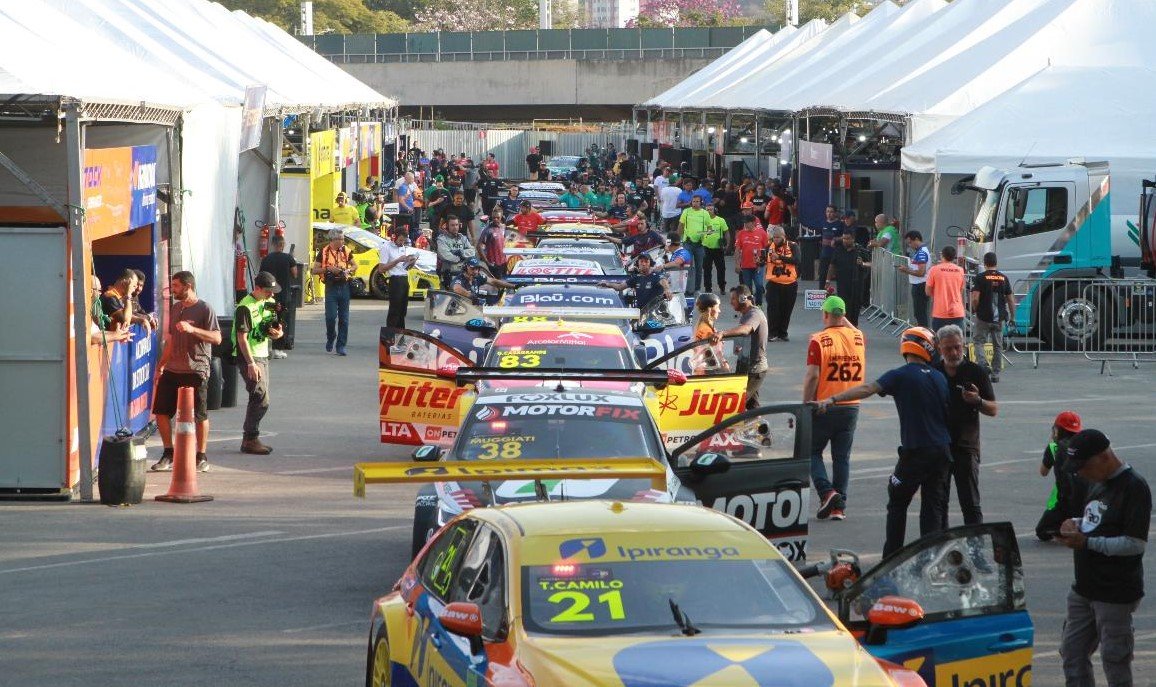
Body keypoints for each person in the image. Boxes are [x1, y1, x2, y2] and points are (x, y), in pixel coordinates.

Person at [813, 327, 950, 557]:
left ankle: (892, 557)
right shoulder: (939, 377)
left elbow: (868, 389)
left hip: (915, 452)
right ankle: (931, 559)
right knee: (932, 508)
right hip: (942, 451)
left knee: (897, 501)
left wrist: (833, 399)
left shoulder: (900, 375)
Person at [1056, 429, 1150, 687]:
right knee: (1072, 652)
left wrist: (1087, 543)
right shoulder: (1095, 481)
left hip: (1114, 591)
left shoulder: (1134, 487)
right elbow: (1095, 520)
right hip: (1084, 587)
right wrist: (1074, 523)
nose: (1080, 473)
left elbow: (1134, 544)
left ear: (1104, 457)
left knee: (1114, 658)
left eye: (1083, 467)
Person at [150, 271, 221, 472]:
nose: (173, 290)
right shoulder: (175, 308)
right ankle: (168, 453)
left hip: (196, 369)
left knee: (199, 414)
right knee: (161, 412)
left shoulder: (205, 308)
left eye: (176, 286)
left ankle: (201, 456)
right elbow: (171, 339)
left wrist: (193, 330)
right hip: (173, 368)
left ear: (188, 286)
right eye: (172, 285)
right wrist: (161, 366)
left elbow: (217, 338)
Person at [803, 296, 865, 521]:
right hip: (851, 405)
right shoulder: (858, 337)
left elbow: (812, 376)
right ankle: (839, 507)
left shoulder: (819, 340)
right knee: (841, 457)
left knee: (811, 452)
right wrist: (840, 314)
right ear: (844, 315)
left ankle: (827, 492)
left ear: (825, 314)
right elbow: (851, 327)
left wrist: (805, 403)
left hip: (824, 405)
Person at [933, 324, 997, 528]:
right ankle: (941, 543)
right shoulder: (933, 372)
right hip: (939, 447)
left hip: (966, 448)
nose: (954, 353)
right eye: (948, 348)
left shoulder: (975, 371)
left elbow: (993, 409)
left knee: (970, 504)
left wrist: (977, 401)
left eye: (957, 347)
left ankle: (975, 543)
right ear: (939, 348)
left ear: (964, 345)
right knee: (938, 503)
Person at [232, 271, 284, 455]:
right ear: (258, 288)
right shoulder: (245, 307)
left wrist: (278, 333)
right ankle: (250, 439)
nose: (271, 294)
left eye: (273, 291)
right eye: (268, 291)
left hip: (262, 355)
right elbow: (242, 338)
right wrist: (250, 364)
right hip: (249, 357)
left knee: (260, 397)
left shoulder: (268, 303)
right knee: (260, 397)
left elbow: (271, 327)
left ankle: (250, 438)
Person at [712, 286, 769, 409]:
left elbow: (746, 329)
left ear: (743, 298)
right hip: (746, 365)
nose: (731, 302)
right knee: (752, 407)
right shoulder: (746, 315)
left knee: (737, 403)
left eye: (733, 298)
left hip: (755, 369)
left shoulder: (755, 314)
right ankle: (756, 421)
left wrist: (723, 333)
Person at [1036, 411, 1087, 541]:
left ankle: (1068, 528)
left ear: (1057, 430)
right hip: (1089, 502)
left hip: (1067, 503)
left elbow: (1043, 472)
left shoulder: (1054, 447)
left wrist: (1051, 444)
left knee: (1042, 531)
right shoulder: (1085, 446)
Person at [970, 252, 1016, 383]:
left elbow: (975, 298)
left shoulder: (980, 278)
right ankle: (995, 374)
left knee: (978, 341)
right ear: (996, 263)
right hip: (999, 318)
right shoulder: (1003, 278)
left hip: (983, 317)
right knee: (997, 346)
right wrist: (1012, 317)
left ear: (985, 263)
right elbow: (1011, 300)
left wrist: (975, 309)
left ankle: (983, 364)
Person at [312, 227, 355, 356]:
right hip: (331, 287)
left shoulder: (346, 251)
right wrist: (329, 269)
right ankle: (331, 337)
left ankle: (341, 346)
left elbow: (355, 265)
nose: (343, 241)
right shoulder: (324, 252)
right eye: (340, 239)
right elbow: (314, 270)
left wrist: (348, 270)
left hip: (344, 286)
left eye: (343, 239)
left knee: (344, 319)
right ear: (333, 240)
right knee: (330, 317)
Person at [259, 235, 298, 359]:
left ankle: (266, 347)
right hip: (283, 294)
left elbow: (261, 275)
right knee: (280, 321)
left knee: (268, 320)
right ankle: (277, 349)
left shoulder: (266, 259)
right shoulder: (288, 258)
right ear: (283, 245)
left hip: (268, 295)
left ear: (272, 244)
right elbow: (295, 274)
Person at [825, 231, 869, 326]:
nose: (845, 241)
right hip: (842, 283)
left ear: (853, 239)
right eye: (844, 238)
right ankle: (844, 325)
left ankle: (854, 326)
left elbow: (871, 263)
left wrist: (863, 263)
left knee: (855, 306)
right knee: (844, 305)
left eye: (847, 239)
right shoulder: (838, 250)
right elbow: (832, 265)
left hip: (857, 283)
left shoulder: (860, 250)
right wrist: (828, 280)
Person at [379, 226, 418, 330]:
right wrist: (397, 260)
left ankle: (401, 334)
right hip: (395, 280)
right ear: (394, 237)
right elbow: (381, 269)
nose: (402, 243)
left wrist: (411, 262)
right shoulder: (386, 247)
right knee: (394, 310)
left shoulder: (403, 247)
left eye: (404, 241)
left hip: (404, 278)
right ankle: (390, 334)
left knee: (402, 311)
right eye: (400, 240)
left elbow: (405, 267)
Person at [764, 226, 799, 342]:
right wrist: (759, 261)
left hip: (790, 283)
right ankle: (772, 333)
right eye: (774, 237)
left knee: (786, 309)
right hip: (773, 282)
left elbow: (797, 260)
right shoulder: (769, 247)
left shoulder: (793, 246)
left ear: (784, 237)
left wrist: (780, 257)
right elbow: (764, 261)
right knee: (773, 309)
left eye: (778, 237)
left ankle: (783, 332)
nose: (776, 240)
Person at [598, 253, 671, 308]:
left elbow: (663, 280)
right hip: (640, 312)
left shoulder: (656, 274)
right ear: (638, 263)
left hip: (654, 310)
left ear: (650, 263)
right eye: (641, 261)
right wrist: (607, 284)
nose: (643, 264)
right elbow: (620, 287)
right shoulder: (636, 278)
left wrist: (667, 289)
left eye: (646, 261)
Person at [926, 245, 966, 331]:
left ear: (942, 255)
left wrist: (937, 294)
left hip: (940, 311)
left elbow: (928, 291)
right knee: (957, 338)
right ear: (954, 257)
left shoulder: (934, 270)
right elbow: (960, 291)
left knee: (939, 338)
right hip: (957, 311)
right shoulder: (960, 270)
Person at [896, 231, 931, 327]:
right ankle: (922, 331)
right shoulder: (921, 251)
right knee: (919, 312)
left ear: (916, 239)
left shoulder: (921, 252)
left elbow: (921, 272)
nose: (910, 245)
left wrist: (906, 270)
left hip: (920, 285)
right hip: (920, 284)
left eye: (910, 242)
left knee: (920, 313)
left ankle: (923, 332)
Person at [678, 195, 710, 295]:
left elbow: (710, 229)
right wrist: (678, 241)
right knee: (688, 267)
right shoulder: (686, 212)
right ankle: (687, 289)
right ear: (691, 202)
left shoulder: (705, 213)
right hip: (688, 243)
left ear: (701, 202)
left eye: (697, 201)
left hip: (700, 244)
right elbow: (681, 226)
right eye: (694, 201)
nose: (695, 203)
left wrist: (703, 233)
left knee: (699, 268)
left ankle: (697, 289)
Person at [734, 216, 769, 307]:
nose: (745, 224)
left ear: (753, 223)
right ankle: (750, 305)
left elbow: (767, 249)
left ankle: (759, 304)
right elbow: (737, 250)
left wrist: (765, 262)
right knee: (748, 287)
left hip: (758, 265)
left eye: (747, 222)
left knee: (759, 285)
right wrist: (737, 264)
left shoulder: (762, 233)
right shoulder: (741, 233)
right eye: (744, 222)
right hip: (745, 266)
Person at [436, 216, 477, 284]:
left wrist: (461, 253)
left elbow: (473, 251)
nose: (455, 227)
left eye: (456, 225)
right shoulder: (441, 239)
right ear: (447, 226)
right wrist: (461, 258)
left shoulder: (463, 238)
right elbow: (445, 256)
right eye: (452, 225)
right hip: (449, 274)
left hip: (465, 274)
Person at [701, 204, 729, 295]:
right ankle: (708, 288)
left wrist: (727, 244)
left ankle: (722, 287)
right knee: (707, 269)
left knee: (721, 269)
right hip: (706, 248)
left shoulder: (720, 220)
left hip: (718, 249)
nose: (709, 211)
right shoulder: (702, 221)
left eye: (711, 209)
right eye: (707, 210)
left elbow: (726, 232)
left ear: (715, 210)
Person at [476, 207, 508, 279]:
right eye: (494, 218)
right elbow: (478, 246)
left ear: (501, 217)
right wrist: (487, 262)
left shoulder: (503, 227)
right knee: (497, 283)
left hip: (504, 262)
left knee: (504, 282)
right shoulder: (488, 230)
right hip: (494, 263)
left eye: (498, 218)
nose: (495, 219)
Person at [817, 205, 843, 287]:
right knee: (822, 274)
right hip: (824, 254)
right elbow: (821, 237)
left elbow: (845, 237)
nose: (829, 214)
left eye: (831, 212)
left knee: (838, 275)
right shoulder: (823, 223)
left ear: (835, 213)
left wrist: (836, 239)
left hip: (835, 253)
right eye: (827, 211)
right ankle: (821, 292)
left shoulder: (840, 224)